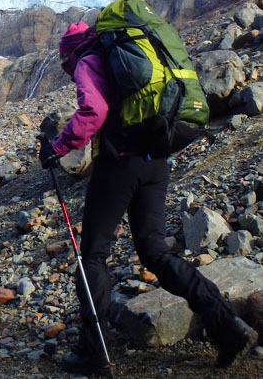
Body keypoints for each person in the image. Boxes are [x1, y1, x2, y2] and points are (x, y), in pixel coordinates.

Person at [39, 21, 258, 376]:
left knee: (93, 255)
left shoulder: (88, 59)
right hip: (155, 162)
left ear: (71, 53)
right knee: (155, 253)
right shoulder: (129, 52)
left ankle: (95, 350)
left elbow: (94, 111)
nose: (68, 72)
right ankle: (230, 327)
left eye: (65, 66)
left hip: (119, 164)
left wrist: (58, 148)